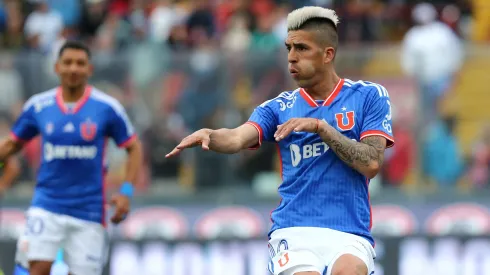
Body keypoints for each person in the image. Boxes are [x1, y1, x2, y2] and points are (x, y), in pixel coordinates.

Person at [166, 6, 394, 275]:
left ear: (327, 54)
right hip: (294, 231)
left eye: (302, 49)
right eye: (288, 48)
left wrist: (323, 129)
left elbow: (371, 163)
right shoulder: (278, 107)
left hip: (349, 233)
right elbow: (238, 137)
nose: (291, 58)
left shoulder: (369, 96)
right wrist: (212, 136)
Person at [0, 40, 143, 275]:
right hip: (47, 205)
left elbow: (133, 147)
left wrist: (126, 192)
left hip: (89, 210)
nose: (73, 68)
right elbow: (12, 144)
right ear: (57, 67)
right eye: (67, 62)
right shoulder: (39, 106)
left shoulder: (107, 108)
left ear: (90, 69)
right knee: (37, 268)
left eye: (80, 63)